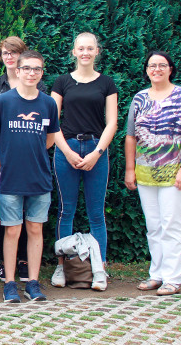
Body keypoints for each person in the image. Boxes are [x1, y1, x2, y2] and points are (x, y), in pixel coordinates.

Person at [0, 50, 59, 303]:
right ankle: (10, 284)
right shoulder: (3, 101)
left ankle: (33, 283)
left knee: (35, 229)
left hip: (39, 178)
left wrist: (34, 153)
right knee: (12, 231)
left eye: (36, 69)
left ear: (41, 73)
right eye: (26, 68)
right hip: (10, 179)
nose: (31, 73)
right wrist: (1, 163)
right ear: (17, 70)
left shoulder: (48, 103)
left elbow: (50, 137)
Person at [124, 51, 181, 296]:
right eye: (152, 65)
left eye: (162, 65)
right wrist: (130, 169)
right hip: (146, 174)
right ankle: (156, 274)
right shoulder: (139, 98)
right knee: (154, 226)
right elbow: (131, 136)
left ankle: (173, 278)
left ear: (170, 69)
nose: (156, 69)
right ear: (146, 70)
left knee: (172, 225)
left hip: (174, 173)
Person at [50, 33, 117, 291]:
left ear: (97, 51)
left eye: (90, 48)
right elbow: (53, 121)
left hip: (95, 149)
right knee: (66, 210)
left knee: (96, 214)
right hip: (67, 149)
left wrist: (97, 153)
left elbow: (111, 122)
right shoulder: (62, 82)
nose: (86, 52)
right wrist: (66, 152)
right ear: (74, 52)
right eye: (81, 48)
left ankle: (99, 269)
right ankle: (62, 266)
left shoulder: (107, 83)